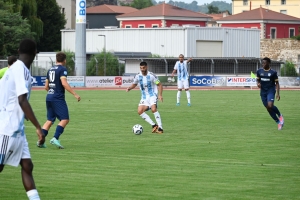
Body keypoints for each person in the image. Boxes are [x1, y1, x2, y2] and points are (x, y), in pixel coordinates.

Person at [0, 39, 45, 200]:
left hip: (17, 130)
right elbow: (21, 100)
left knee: (27, 165)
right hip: (6, 129)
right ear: (35, 52)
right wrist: (38, 126)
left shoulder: (21, 70)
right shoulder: (19, 69)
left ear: (19, 50)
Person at [39, 52, 81, 149]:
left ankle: (40, 141)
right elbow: (64, 84)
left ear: (56, 60)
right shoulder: (62, 69)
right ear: (64, 60)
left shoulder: (50, 70)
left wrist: (52, 91)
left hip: (49, 97)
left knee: (50, 120)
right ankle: (55, 138)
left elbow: (46, 86)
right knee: (65, 119)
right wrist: (75, 94)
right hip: (57, 98)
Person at [126, 61, 164, 134]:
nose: (142, 69)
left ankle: (160, 128)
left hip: (152, 95)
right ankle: (154, 125)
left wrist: (160, 95)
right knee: (140, 111)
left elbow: (159, 85)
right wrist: (129, 88)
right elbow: (134, 84)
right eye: (141, 68)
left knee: (153, 109)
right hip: (144, 97)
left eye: (143, 68)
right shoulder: (138, 76)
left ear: (146, 67)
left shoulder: (152, 76)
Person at [256, 57, 284, 130]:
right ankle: (278, 122)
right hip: (263, 92)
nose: (263, 64)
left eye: (264, 63)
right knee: (268, 108)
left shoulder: (273, 72)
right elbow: (257, 80)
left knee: (270, 105)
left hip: (271, 90)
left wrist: (278, 93)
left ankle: (280, 115)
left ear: (269, 63)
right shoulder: (259, 71)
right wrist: (258, 84)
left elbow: (277, 83)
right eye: (262, 63)